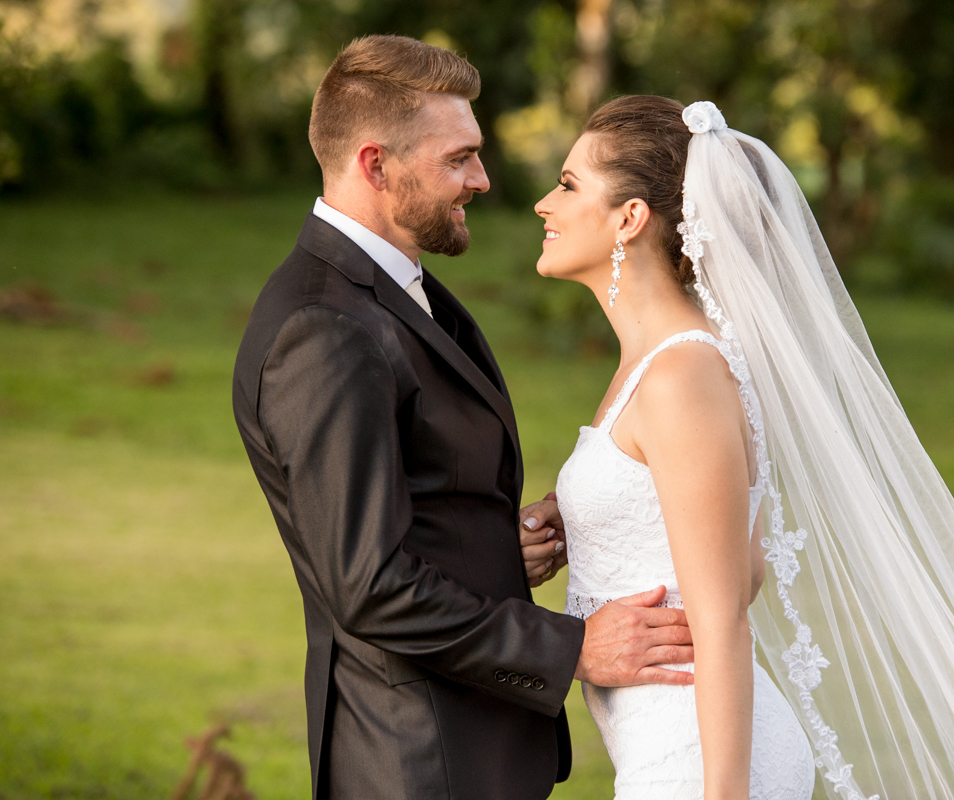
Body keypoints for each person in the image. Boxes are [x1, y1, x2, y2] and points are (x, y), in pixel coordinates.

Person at [533, 95, 954, 800]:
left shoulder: (682, 376)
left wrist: (723, 795)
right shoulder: (657, 364)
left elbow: (722, 617)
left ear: (630, 218)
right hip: (670, 744)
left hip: (696, 762)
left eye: (568, 185)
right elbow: (740, 566)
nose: (544, 203)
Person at [232, 37, 695, 800]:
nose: (481, 179)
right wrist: (573, 647)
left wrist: (494, 544)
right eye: (460, 158)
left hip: (469, 748)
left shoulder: (404, 292)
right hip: (416, 761)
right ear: (376, 165)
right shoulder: (324, 328)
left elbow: (401, 510)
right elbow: (368, 583)